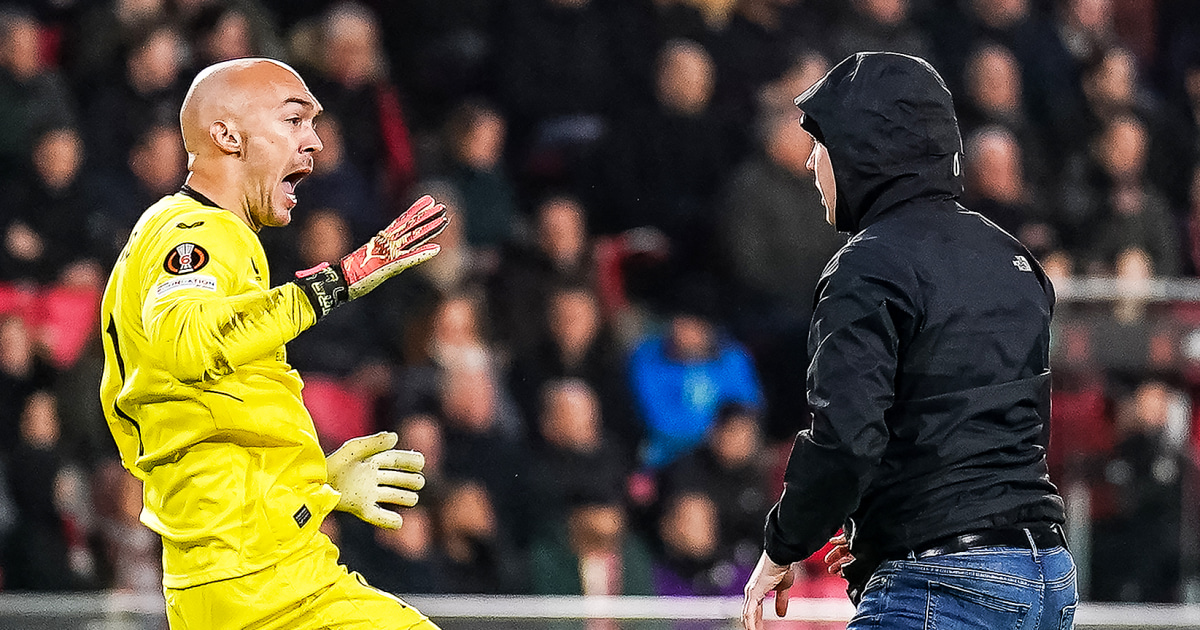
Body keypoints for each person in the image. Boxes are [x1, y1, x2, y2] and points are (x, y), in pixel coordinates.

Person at [98, 58, 449, 629]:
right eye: (293, 121)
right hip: (257, 583)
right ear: (227, 136)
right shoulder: (196, 233)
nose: (314, 141)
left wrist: (316, 483)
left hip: (259, 569)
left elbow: (205, 412)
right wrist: (340, 280)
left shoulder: (209, 234)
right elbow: (186, 344)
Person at [740, 52, 1076, 630]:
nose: (811, 164)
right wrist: (876, 530)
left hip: (942, 583)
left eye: (823, 144)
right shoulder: (1013, 257)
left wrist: (783, 545)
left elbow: (846, 440)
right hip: (1046, 576)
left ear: (866, 150)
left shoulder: (866, 268)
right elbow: (978, 431)